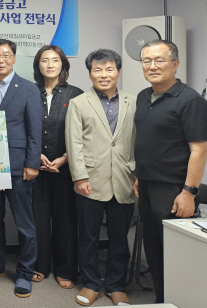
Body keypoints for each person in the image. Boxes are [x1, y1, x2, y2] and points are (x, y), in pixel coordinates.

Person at [133, 39, 207, 303]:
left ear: (175, 64)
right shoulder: (143, 97)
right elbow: (149, 140)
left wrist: (189, 192)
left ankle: (180, 301)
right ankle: (162, 300)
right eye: (147, 61)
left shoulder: (191, 101)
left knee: (174, 252)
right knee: (153, 249)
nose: (152, 66)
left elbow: (199, 151)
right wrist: (139, 176)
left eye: (159, 60)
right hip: (146, 185)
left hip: (174, 190)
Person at [65, 49, 136, 307]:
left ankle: (116, 285)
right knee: (88, 237)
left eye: (109, 69)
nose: (104, 75)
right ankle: (91, 284)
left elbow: (139, 141)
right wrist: (79, 177)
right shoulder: (79, 103)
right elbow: (73, 143)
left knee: (119, 238)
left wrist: (137, 173)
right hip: (90, 180)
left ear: (118, 72)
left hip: (124, 179)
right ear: (90, 74)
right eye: (97, 70)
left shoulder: (134, 101)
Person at [0, 38, 42, 298]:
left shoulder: (27, 88)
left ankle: (25, 272)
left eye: (5, 55)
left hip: (18, 167)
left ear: (14, 58)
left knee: (24, 223)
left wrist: (32, 164)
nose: (0, 59)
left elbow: (34, 129)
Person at [31, 45, 82, 289]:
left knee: (65, 220)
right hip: (36, 168)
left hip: (65, 169)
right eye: (44, 60)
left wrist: (65, 157)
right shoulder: (30, 92)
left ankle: (65, 269)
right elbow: (22, 127)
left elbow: (83, 132)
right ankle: (39, 265)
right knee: (37, 220)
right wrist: (35, 156)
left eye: (55, 60)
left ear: (63, 64)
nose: (50, 65)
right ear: (38, 65)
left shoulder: (76, 94)